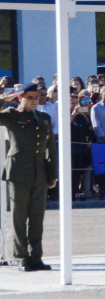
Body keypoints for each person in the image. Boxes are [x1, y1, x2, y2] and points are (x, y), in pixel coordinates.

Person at [0, 84, 58, 271]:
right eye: (30, 97)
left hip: (39, 173)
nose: (35, 100)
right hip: (18, 173)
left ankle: (36, 257)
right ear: (21, 98)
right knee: (19, 216)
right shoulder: (12, 115)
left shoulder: (44, 118)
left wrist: (53, 174)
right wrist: (5, 98)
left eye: (37, 96)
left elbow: (51, 149)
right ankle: (22, 257)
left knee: (36, 217)